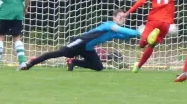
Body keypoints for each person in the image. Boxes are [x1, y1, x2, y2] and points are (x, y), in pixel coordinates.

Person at [21, 9, 160, 72]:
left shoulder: (114, 32)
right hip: (81, 42)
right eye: (120, 17)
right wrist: (138, 31)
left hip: (87, 48)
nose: (122, 20)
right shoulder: (108, 25)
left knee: (98, 67)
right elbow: (123, 31)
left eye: (124, 18)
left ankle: (73, 62)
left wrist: (145, 34)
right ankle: (33, 61)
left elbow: (127, 35)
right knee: (59, 52)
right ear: (114, 18)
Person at [125, 0, 187, 72]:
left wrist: (129, 12)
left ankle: (146, 39)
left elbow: (142, 1)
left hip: (154, 18)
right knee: (152, 46)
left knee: (142, 44)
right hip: (167, 22)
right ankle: (138, 66)